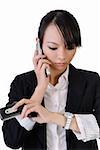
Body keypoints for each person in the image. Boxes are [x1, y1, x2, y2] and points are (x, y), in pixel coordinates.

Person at [2, 9, 100, 150]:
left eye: (70, 47)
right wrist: (40, 88)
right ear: (39, 44)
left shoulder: (91, 81)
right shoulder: (22, 83)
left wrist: (54, 117)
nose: (62, 56)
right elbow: (12, 141)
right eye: (53, 47)